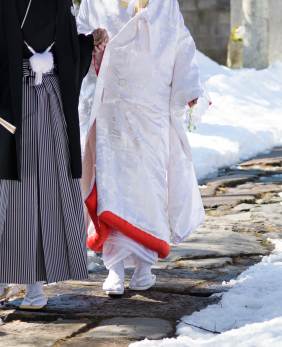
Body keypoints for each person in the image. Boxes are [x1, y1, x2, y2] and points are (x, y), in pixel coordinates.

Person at [0, 0, 109, 308]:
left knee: (44, 187)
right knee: (0, 188)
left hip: (50, 95)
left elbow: (63, 38)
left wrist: (87, 43)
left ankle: (36, 283)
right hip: (2, 98)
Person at [76, 0, 210, 296]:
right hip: (111, 107)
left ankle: (144, 266)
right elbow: (78, 39)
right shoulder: (94, 2)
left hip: (153, 110)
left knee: (150, 186)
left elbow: (182, 44)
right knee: (111, 185)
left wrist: (190, 88)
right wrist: (90, 44)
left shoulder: (166, 4)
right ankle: (114, 267)